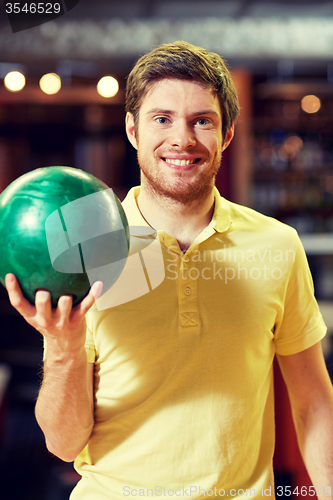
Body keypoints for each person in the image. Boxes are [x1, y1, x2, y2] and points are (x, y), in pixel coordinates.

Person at [5, 41, 333, 499]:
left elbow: (314, 403)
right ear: (133, 131)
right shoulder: (86, 250)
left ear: (229, 133)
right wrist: (63, 348)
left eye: (203, 120)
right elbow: (63, 445)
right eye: (162, 119)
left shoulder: (277, 245)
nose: (182, 139)